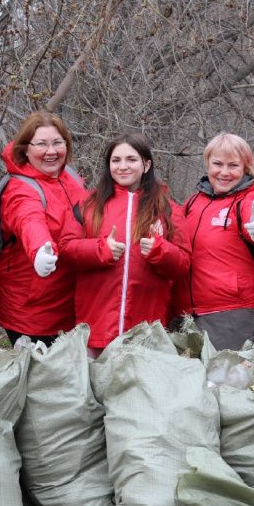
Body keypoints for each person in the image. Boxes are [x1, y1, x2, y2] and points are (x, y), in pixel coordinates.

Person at [60, 133, 189, 353]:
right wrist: (101, 250)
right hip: (96, 326)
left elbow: (183, 264)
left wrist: (160, 251)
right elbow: (66, 249)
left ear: (146, 164)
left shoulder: (167, 209)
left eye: (131, 159)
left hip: (146, 331)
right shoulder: (88, 204)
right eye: (116, 160)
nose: (123, 167)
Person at [0, 111, 88, 346]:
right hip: (31, 310)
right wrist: (40, 251)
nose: (51, 151)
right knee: (39, 380)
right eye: (41, 144)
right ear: (25, 148)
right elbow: (28, 220)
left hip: (70, 305)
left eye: (57, 143)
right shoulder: (20, 188)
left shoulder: (71, 178)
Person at [180, 133, 254, 351]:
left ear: (246, 168)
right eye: (217, 164)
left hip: (235, 313)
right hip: (192, 314)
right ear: (207, 164)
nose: (224, 172)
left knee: (231, 384)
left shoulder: (251, 198)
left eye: (233, 165)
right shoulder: (193, 202)